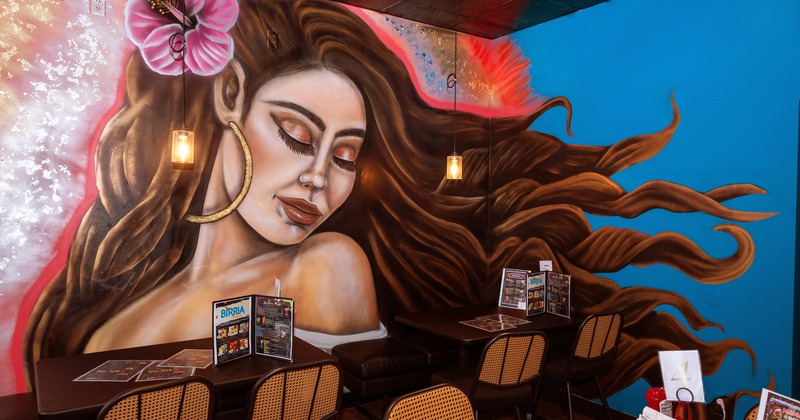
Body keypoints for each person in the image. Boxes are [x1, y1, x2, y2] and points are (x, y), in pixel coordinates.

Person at [22, 1, 773, 414]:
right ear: (227, 97)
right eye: (295, 134)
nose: (320, 181)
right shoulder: (129, 310)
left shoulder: (327, 262)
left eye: (345, 156)